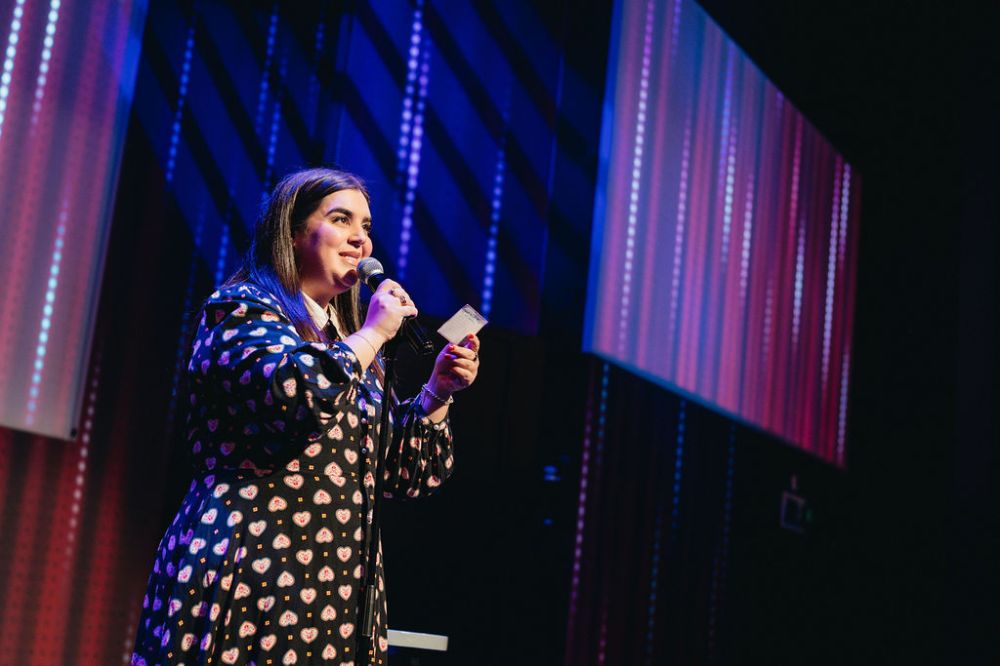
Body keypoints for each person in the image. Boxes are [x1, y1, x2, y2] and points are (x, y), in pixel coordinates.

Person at [131, 168, 480, 666]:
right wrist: (374, 335)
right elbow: (296, 395)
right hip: (250, 569)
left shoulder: (348, 347)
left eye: (366, 225)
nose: (361, 239)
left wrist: (437, 393)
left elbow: (401, 474)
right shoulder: (240, 310)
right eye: (342, 220)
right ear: (293, 232)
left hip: (335, 592)